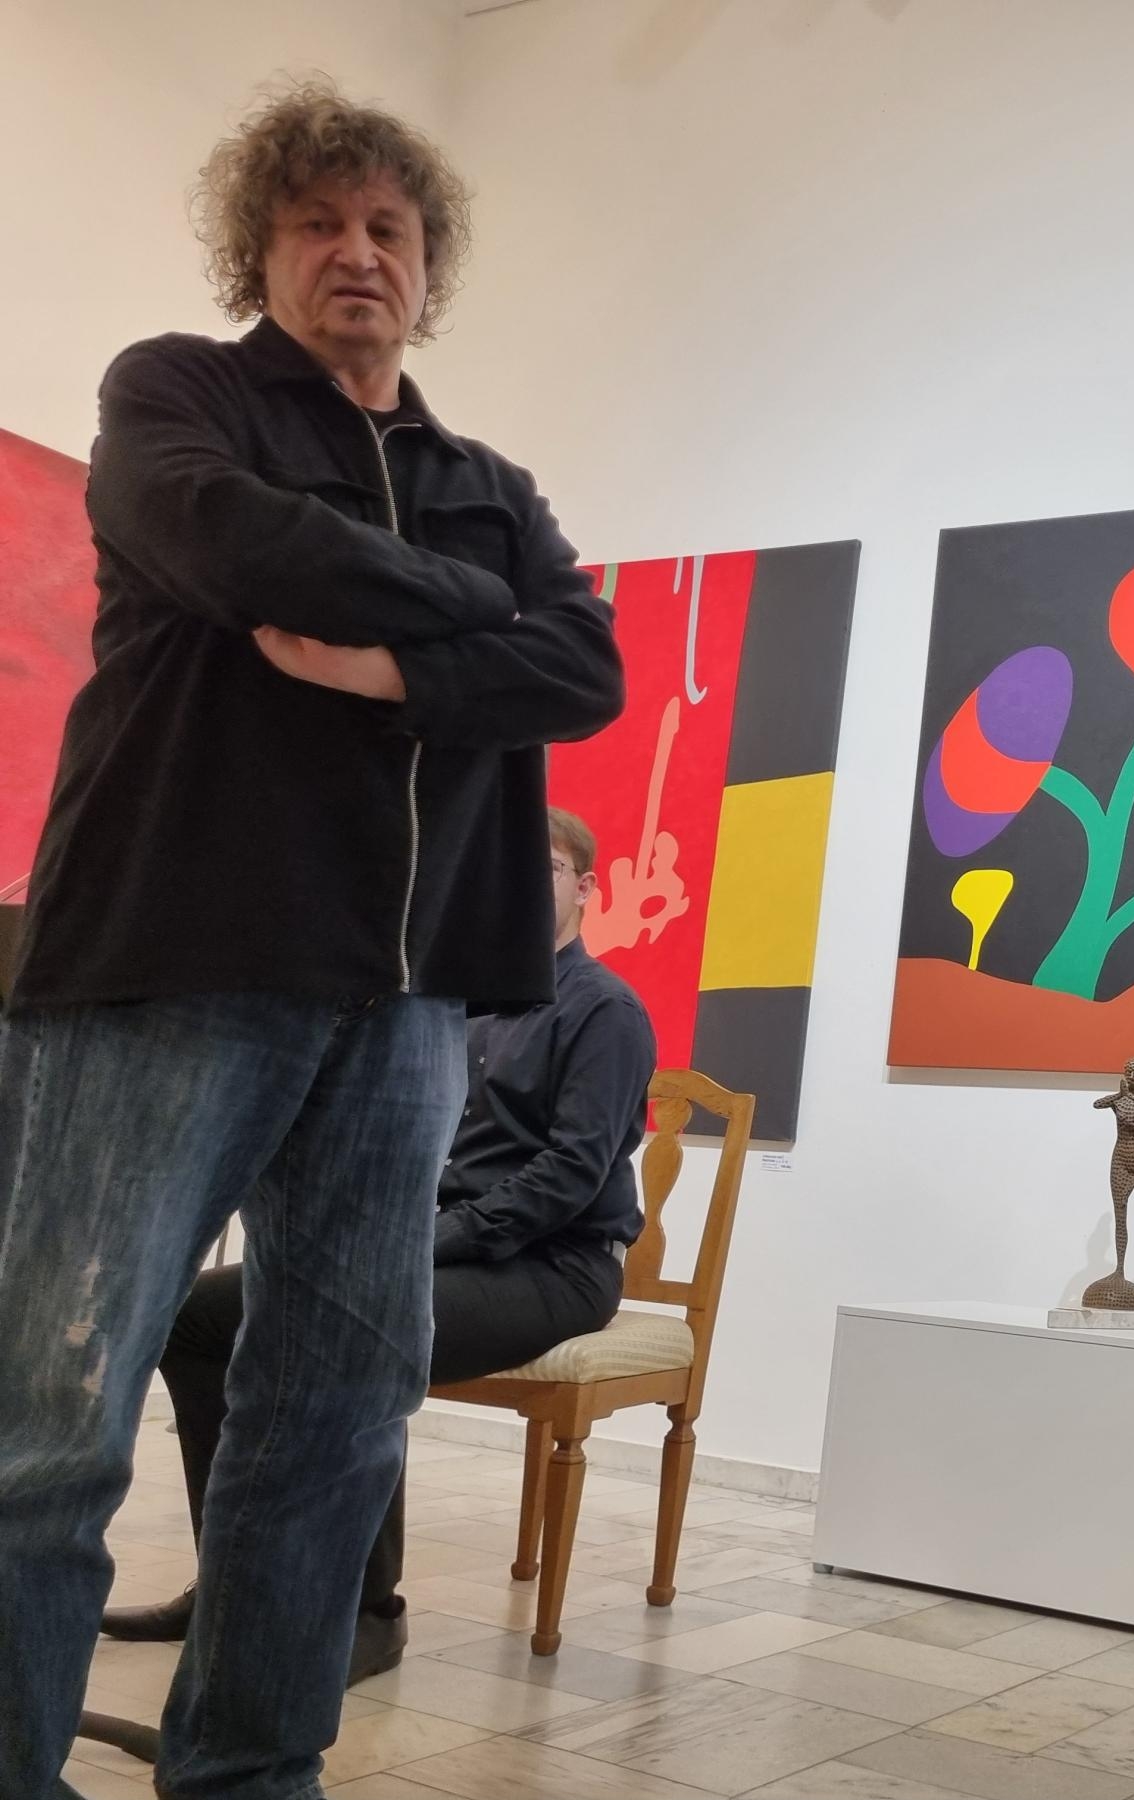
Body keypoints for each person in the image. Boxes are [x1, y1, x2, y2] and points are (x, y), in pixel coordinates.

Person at [0, 82, 622, 1799]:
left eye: (388, 228)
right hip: (170, 965)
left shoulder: (486, 480)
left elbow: (588, 668)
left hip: (408, 1002)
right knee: (52, 1423)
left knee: (337, 1426)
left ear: (429, 266)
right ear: (258, 250)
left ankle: (252, 1775)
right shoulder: (175, 394)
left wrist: (396, 662)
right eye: (319, 222)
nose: (358, 251)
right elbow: (224, 537)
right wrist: (480, 619)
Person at [98, 808, 656, 1681]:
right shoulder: (452, 1005)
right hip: (433, 1245)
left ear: (585, 888)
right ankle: (235, 1586)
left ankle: (366, 1613)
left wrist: (422, 1242)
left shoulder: (605, 1011)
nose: (518, 882)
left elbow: (570, 1176)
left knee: (356, 1320)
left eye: (544, 867)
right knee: (192, 1320)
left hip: (554, 1265)